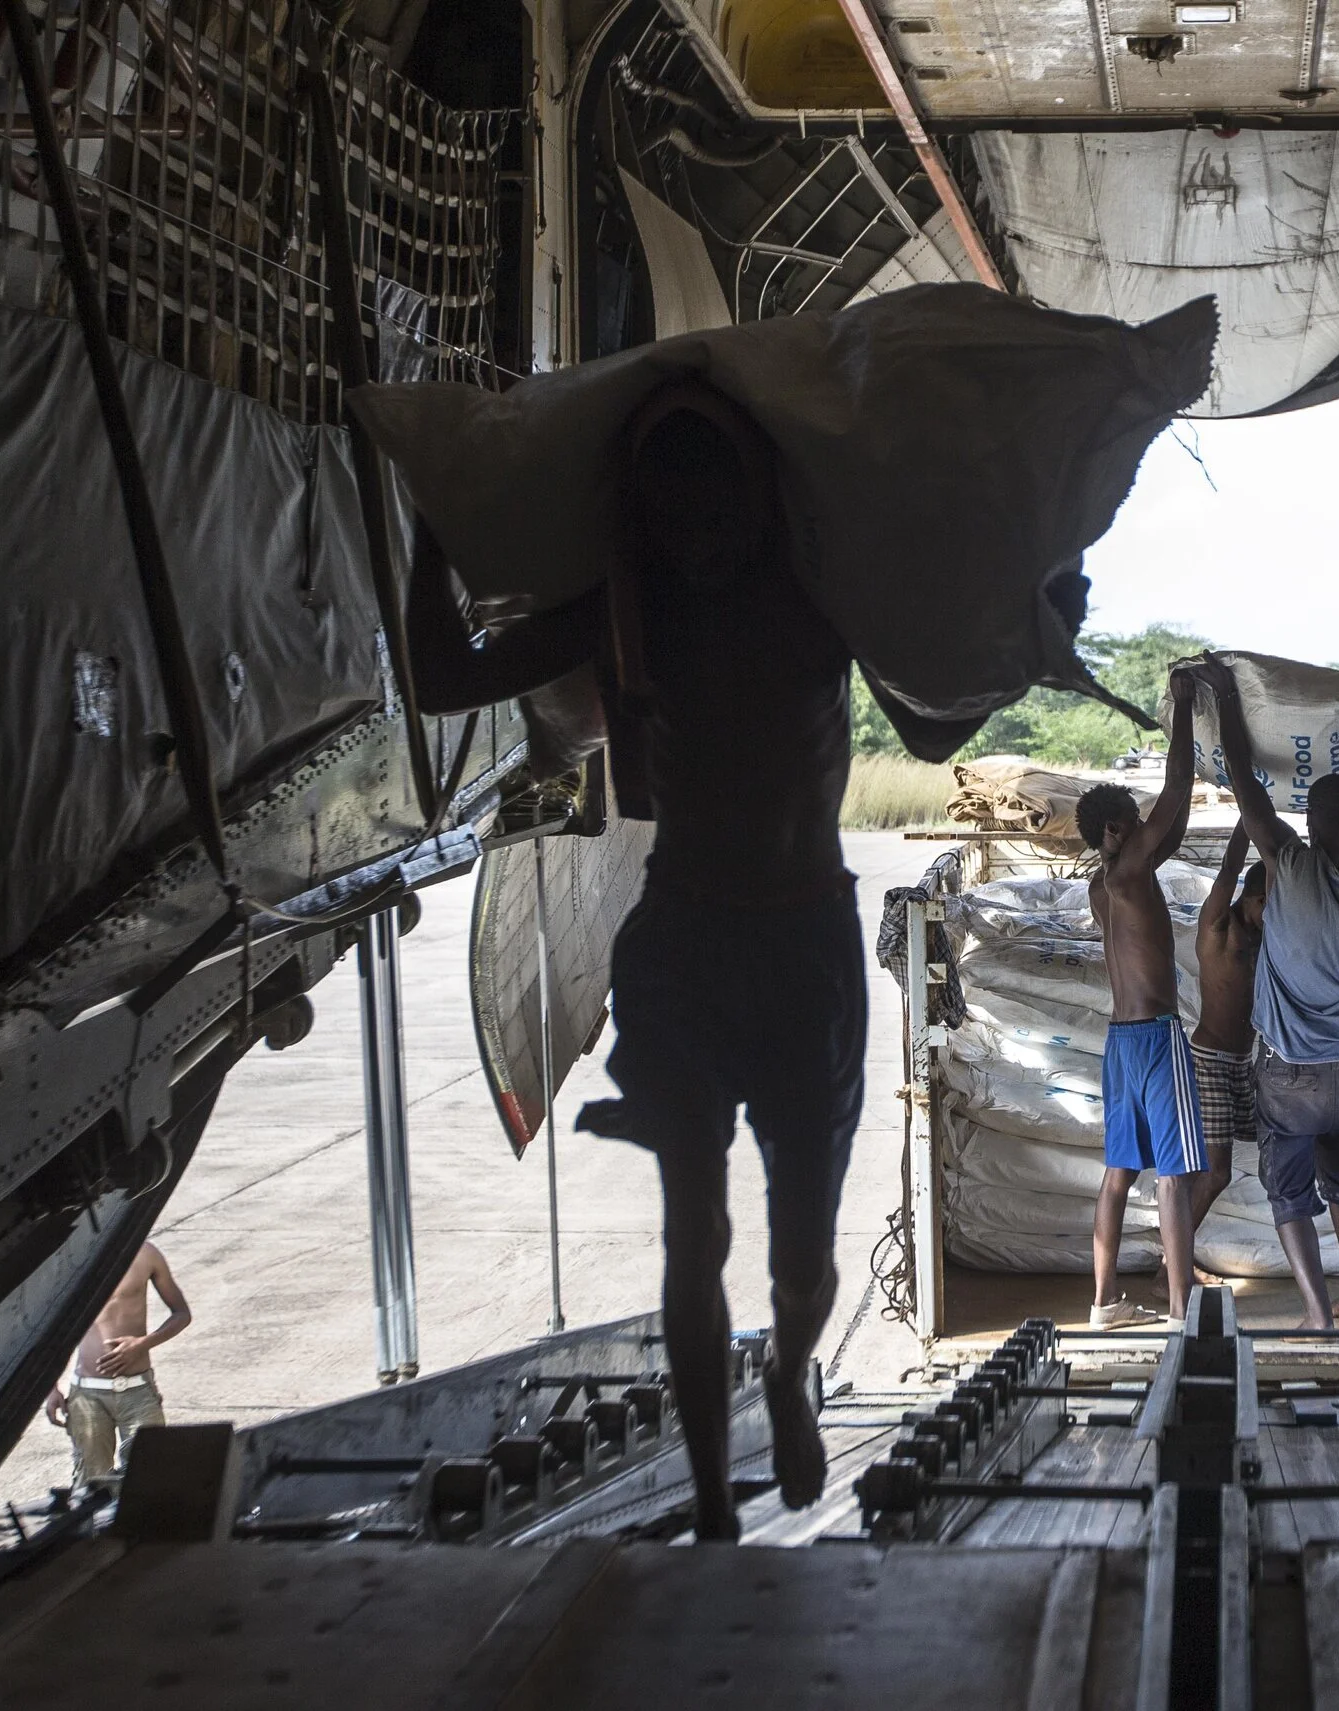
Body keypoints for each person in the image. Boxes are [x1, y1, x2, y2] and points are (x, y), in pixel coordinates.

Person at [407, 382, 868, 1538]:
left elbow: (939, 722)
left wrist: (1036, 614)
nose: (700, 543)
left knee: (805, 1262)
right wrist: (433, 527)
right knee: (693, 1235)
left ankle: (789, 1368)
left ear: (758, 504)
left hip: (805, 941)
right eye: (674, 520)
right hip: (687, 937)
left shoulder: (825, 596)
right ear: (643, 522)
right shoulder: (629, 608)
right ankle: (716, 1499)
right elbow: (441, 678)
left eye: (717, 516)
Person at [1195, 660, 1339, 1329]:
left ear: (1312, 820)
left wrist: (1227, 697)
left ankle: (1318, 1310)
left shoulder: (1285, 864)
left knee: (1289, 1191)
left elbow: (1244, 789)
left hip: (1288, 1070)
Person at [1078, 671, 1207, 1326]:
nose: (1144, 826)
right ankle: (1184, 1307)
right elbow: (1178, 794)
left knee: (1119, 1172)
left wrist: (1154, 822)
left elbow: (1173, 824)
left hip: (1119, 1043)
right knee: (1175, 1176)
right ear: (1116, 828)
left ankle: (1102, 1304)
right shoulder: (1128, 868)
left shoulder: (1105, 884)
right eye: (1133, 821)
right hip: (1155, 1039)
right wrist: (1184, 708)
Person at [44, 1242, 191, 1487]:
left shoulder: (146, 1254)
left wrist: (142, 1344)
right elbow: (50, 1330)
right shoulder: (70, 1258)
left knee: (149, 1477)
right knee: (90, 1483)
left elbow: (181, 1313)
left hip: (138, 1391)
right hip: (87, 1394)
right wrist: (51, 1389)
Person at [1187, 823, 1265, 1243]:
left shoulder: (1262, 931)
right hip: (1211, 1061)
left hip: (1244, 1064)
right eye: (1270, 904)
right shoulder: (1219, 924)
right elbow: (1229, 869)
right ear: (1255, 899)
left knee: (1280, 1150)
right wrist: (1247, 815)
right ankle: (1170, 1268)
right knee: (1217, 1173)